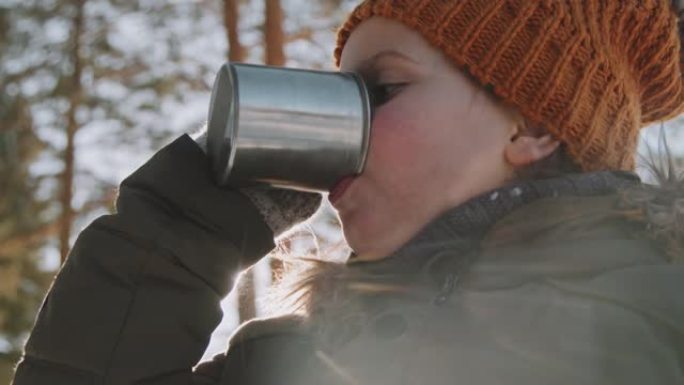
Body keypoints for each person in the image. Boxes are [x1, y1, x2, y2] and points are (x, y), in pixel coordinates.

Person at [12, 1, 684, 384]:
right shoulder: (292, 360)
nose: (344, 130)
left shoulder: (658, 314)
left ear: (533, 122)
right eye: (340, 95)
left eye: (380, 90)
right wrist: (184, 226)